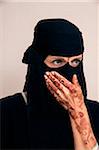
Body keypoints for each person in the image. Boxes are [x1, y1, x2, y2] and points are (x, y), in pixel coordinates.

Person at [0, 18, 99, 150]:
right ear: (38, 64)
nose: (69, 72)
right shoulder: (6, 112)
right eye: (57, 61)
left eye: (75, 61)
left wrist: (78, 113)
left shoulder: (96, 113)